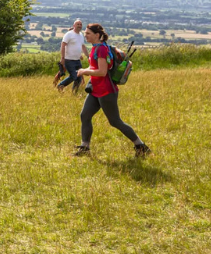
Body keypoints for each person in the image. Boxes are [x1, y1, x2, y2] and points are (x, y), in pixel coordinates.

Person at [74, 24, 151, 158]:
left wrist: (84, 71)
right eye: (85, 33)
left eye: (88, 33)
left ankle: (141, 145)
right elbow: (95, 66)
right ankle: (85, 147)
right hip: (95, 90)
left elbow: (102, 72)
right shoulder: (96, 48)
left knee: (115, 121)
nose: (85, 35)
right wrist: (85, 70)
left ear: (97, 35)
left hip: (106, 91)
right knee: (85, 115)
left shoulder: (102, 49)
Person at [57, 19, 87, 94]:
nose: (79, 26)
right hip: (68, 60)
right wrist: (62, 58)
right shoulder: (69, 34)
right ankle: (61, 85)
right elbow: (63, 45)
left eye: (80, 24)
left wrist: (88, 56)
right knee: (74, 76)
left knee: (79, 77)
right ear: (74, 25)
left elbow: (82, 46)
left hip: (77, 60)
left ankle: (74, 93)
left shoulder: (81, 35)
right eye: (78, 24)